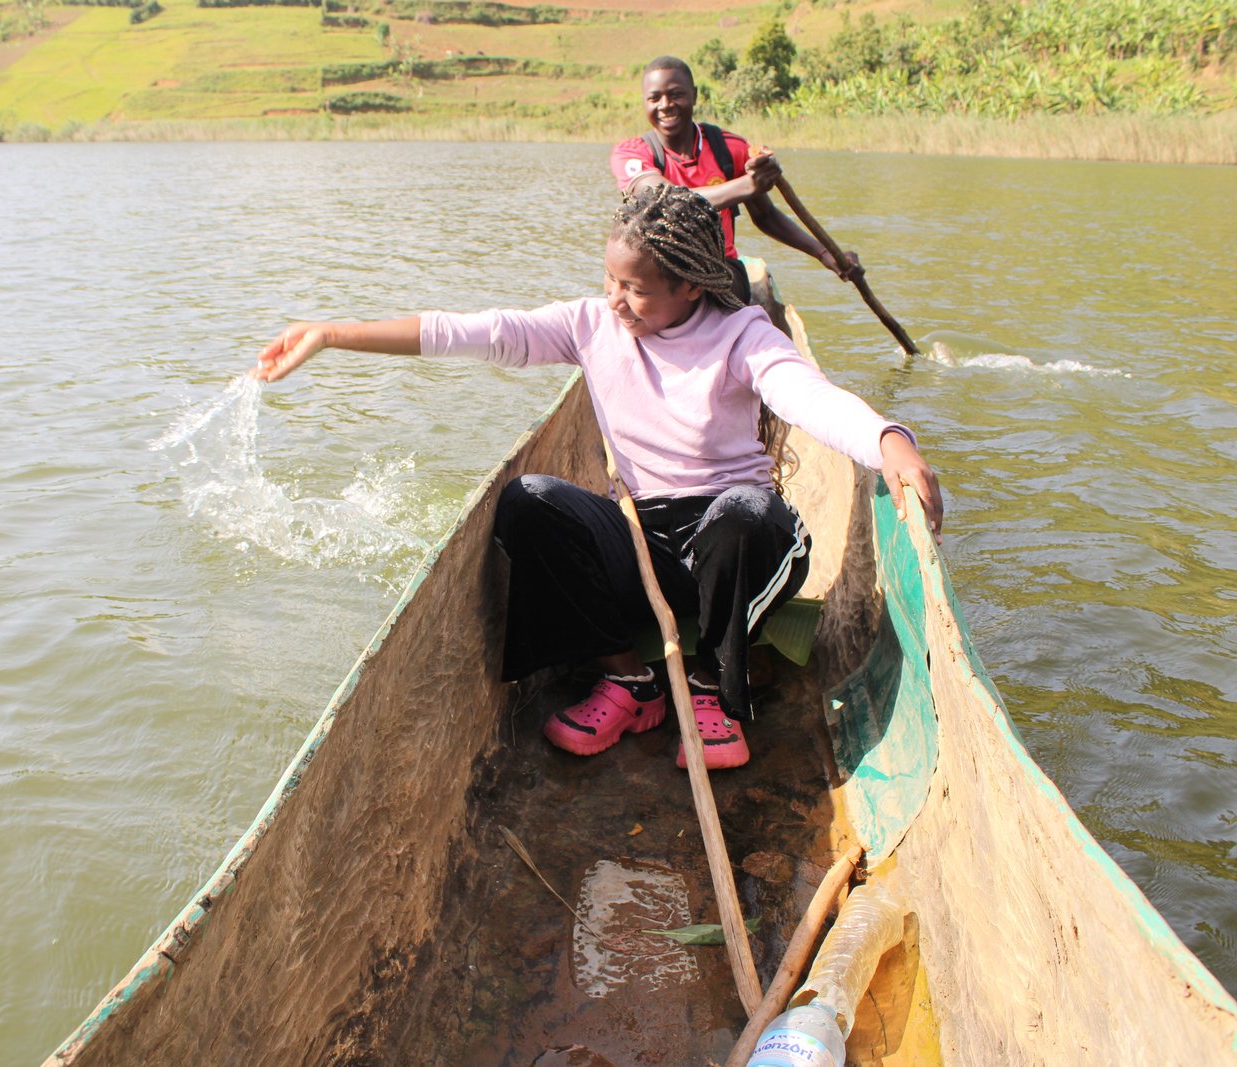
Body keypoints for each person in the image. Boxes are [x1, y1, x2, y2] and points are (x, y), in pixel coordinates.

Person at [252, 185, 941, 770]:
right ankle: (628, 677)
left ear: (691, 287)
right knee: (527, 500)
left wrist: (890, 443)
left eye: (636, 290)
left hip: (739, 546)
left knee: (740, 513)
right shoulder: (590, 324)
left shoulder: (744, 335)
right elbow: (475, 331)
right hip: (644, 546)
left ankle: (711, 688)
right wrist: (334, 334)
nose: (615, 300)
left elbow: (809, 398)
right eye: (611, 281)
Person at [611, 55, 860, 323]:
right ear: (644, 102)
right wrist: (748, 184)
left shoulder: (730, 148)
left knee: (690, 295)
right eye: (654, 98)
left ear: (694, 96)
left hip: (720, 271)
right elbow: (668, 199)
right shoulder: (632, 154)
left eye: (675, 95)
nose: (665, 106)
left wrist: (823, 253)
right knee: (636, 287)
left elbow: (766, 216)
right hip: (657, 270)